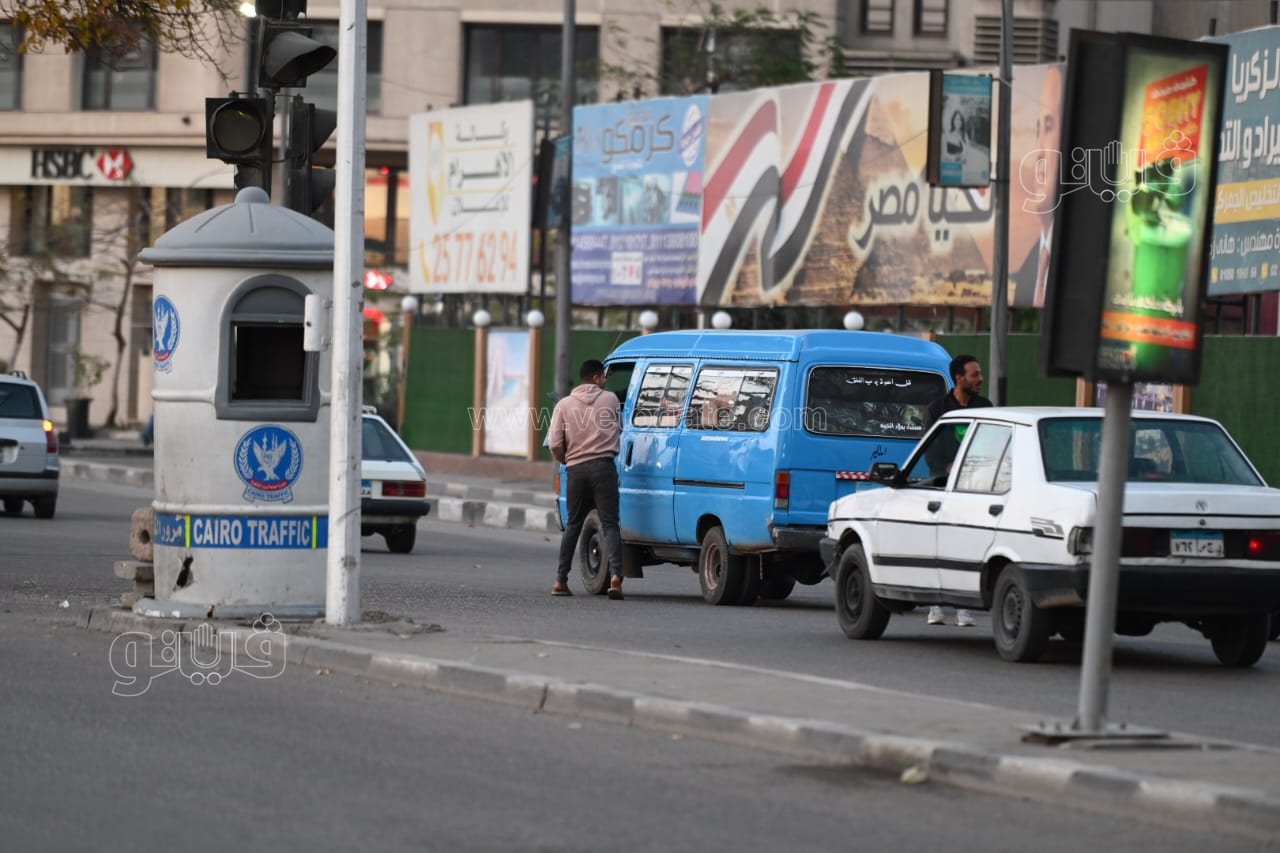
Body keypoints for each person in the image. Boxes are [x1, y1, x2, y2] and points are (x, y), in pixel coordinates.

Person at [922, 354, 993, 628]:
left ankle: (964, 608)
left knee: (968, 545)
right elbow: (930, 448)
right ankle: (936, 604)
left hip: (975, 487)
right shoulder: (938, 409)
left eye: (980, 374)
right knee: (938, 543)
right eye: (975, 374)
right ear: (959, 378)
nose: (980, 379)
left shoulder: (985, 407)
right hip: (942, 485)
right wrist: (947, 467)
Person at [549, 359, 625, 600]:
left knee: (573, 525)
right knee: (610, 524)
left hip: (576, 470)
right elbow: (619, 428)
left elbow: (555, 443)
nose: (605, 381)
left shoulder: (563, 405)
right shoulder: (611, 400)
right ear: (595, 378)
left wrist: (566, 459)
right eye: (603, 377)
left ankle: (560, 580)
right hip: (604, 468)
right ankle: (616, 578)